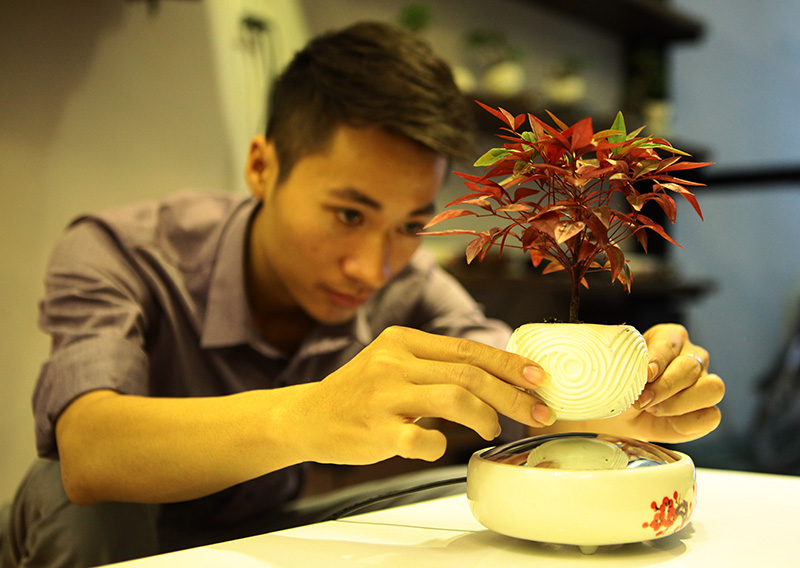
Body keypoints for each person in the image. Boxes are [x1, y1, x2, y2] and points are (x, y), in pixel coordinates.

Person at [0, 21, 724, 568]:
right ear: (261, 166)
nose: (371, 266)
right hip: (131, 526)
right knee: (65, 492)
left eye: (410, 225)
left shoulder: (412, 284)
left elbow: (505, 376)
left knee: (447, 492)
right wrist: (310, 414)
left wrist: (624, 406)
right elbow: (88, 449)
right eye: (348, 215)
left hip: (278, 526)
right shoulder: (123, 251)